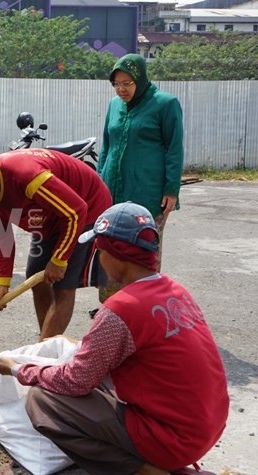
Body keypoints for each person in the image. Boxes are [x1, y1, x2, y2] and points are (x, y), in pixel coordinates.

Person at [0, 202, 228, 475]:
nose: (99, 259)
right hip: (207, 424)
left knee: (42, 401)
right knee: (89, 378)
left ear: (117, 254)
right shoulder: (176, 291)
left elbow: (75, 381)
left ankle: (147, 471)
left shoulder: (122, 308)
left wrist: (16, 368)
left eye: (101, 251)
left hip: (174, 440)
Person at [0, 150, 112, 340]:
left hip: (86, 209)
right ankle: (47, 341)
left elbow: (75, 212)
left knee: (62, 285)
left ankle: (43, 353)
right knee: (36, 275)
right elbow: (2, 236)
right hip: (51, 216)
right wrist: (2, 284)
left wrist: (59, 259)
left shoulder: (27, 177)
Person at [97, 53, 184, 302]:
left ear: (141, 79)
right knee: (111, 246)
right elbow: (106, 145)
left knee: (144, 250)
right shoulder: (114, 106)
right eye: (116, 84)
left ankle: (145, 305)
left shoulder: (165, 104)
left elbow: (174, 148)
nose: (121, 89)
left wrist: (171, 189)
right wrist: (98, 183)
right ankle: (112, 305)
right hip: (112, 189)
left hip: (149, 191)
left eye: (127, 83)